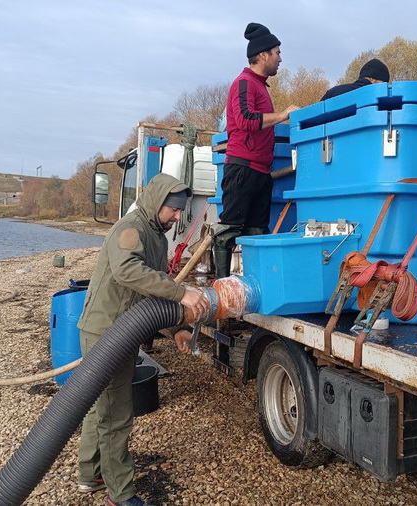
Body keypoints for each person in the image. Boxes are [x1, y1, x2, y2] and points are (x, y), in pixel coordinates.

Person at [76, 173, 208, 506]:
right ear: (155, 201)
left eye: (180, 211)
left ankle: (89, 473)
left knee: (100, 405)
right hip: (105, 333)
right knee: (114, 414)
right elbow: (128, 272)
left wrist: (174, 328)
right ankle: (120, 495)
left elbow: (150, 296)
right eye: (173, 210)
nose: (178, 217)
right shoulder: (131, 229)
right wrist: (182, 294)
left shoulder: (157, 237)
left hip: (122, 331)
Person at [212, 21, 299, 278]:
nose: (280, 59)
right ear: (263, 55)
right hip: (242, 168)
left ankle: (253, 289)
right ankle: (221, 291)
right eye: (277, 53)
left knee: (257, 233)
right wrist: (282, 114)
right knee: (228, 231)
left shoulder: (260, 86)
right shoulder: (244, 83)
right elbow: (244, 120)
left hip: (261, 171)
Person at [321, 58, 391, 100]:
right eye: (383, 83)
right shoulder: (379, 97)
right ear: (372, 79)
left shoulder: (332, 93)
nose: (385, 87)